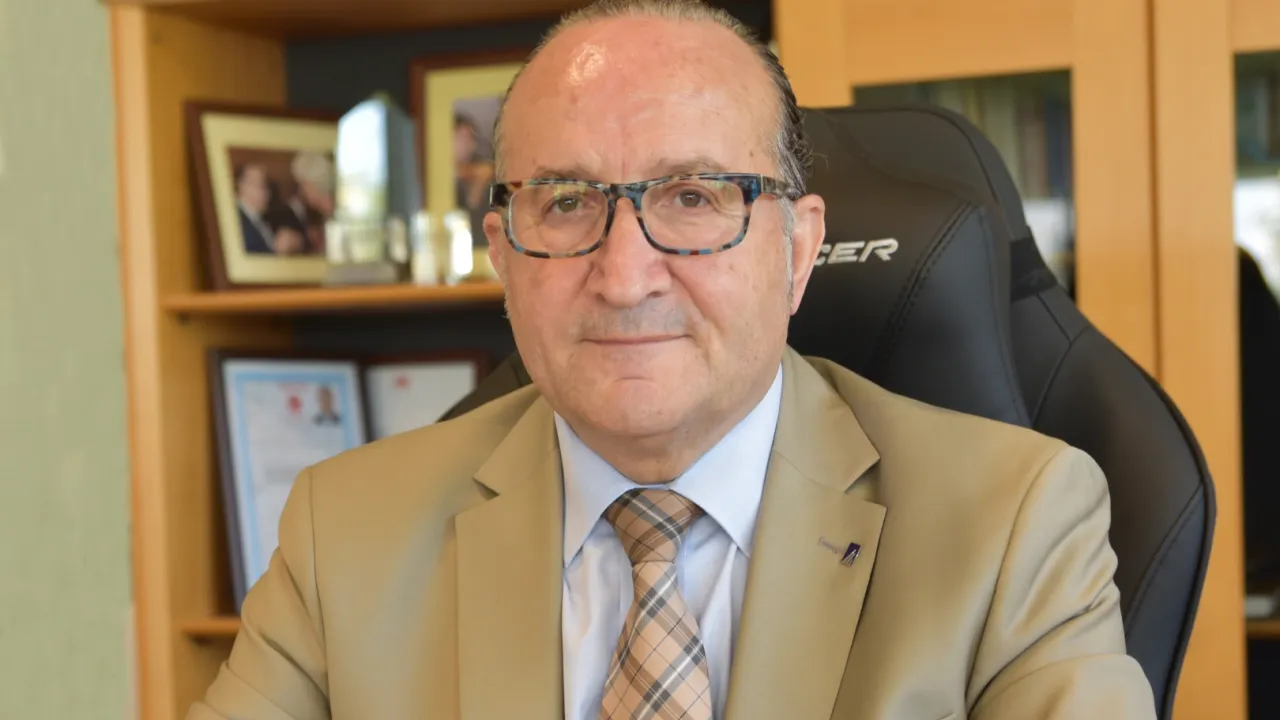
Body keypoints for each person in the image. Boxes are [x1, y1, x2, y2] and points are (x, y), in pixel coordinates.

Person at [188, 1, 1157, 718]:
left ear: (797, 251)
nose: (623, 277)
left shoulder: (1012, 525)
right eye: (566, 203)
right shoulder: (343, 534)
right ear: (503, 257)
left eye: (693, 197)